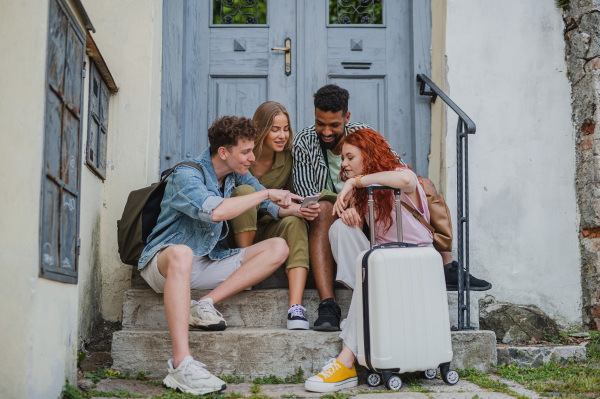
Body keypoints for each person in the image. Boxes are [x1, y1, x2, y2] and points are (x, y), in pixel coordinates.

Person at [292, 85, 490, 331]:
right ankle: (330, 304)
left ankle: (446, 263)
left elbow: (398, 170)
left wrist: (356, 184)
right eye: (320, 123)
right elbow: (308, 193)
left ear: (347, 117)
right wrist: (346, 200)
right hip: (332, 209)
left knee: (423, 183)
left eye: (334, 124)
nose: (326, 131)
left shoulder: (363, 136)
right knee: (327, 212)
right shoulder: (304, 142)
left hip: (381, 215)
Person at [137, 116, 303, 395]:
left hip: (206, 263)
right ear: (224, 152)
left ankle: (204, 304)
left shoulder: (238, 173)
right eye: (246, 151)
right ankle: (181, 366)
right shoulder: (186, 174)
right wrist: (264, 196)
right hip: (165, 264)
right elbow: (214, 210)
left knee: (278, 247)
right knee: (182, 254)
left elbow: (271, 205)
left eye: (252, 150)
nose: (253, 157)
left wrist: (300, 209)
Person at [305, 128, 435, 392]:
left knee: (374, 276)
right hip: (382, 267)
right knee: (340, 229)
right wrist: (352, 214)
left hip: (412, 265)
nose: (343, 164)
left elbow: (408, 180)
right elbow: (364, 230)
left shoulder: (399, 176)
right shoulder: (366, 196)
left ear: (369, 156)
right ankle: (369, 306)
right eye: (343, 158)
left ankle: (346, 363)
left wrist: (355, 182)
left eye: (350, 157)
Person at [229, 101, 320, 329]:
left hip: (271, 229)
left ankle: (295, 308)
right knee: (245, 192)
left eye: (286, 129)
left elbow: (289, 197)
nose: (282, 135)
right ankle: (244, 269)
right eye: (275, 129)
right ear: (260, 130)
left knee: (294, 221)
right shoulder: (242, 155)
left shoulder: (288, 157)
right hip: (237, 230)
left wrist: (301, 208)